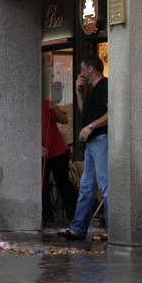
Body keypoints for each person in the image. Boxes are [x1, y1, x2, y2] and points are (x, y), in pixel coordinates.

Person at [58, 55, 108, 240]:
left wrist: (91, 126)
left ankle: (114, 231)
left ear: (91, 69)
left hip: (101, 139)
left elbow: (113, 113)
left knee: (105, 186)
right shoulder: (92, 90)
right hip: (93, 143)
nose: (80, 73)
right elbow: (84, 112)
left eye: (81, 69)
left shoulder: (105, 86)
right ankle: (78, 228)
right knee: (87, 186)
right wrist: (79, 93)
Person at [42, 99, 78, 225]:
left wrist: (55, 110)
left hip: (58, 151)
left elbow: (64, 120)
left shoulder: (45, 104)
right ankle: (47, 219)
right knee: (42, 187)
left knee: (63, 183)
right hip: (40, 153)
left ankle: (73, 216)